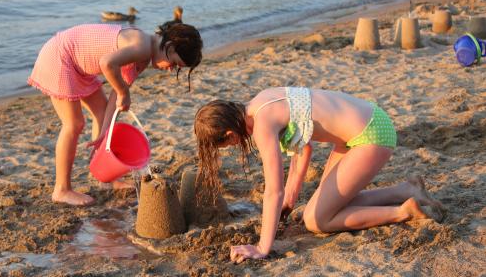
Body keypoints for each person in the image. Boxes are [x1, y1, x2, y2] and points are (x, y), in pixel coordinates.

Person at [194, 87, 444, 263]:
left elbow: (272, 190)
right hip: (364, 124)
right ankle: (407, 190)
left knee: (317, 220)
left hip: (371, 136)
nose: (233, 147)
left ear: (229, 135)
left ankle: (402, 211)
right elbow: (303, 149)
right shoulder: (262, 100)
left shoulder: (262, 126)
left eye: (227, 145)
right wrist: (290, 200)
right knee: (326, 206)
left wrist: (262, 247)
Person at [28, 22, 203, 206]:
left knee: (104, 114)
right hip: (60, 57)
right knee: (74, 124)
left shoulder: (143, 56)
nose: (170, 69)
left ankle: (105, 177)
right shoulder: (142, 45)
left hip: (77, 65)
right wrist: (123, 92)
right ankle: (61, 190)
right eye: (174, 63)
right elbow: (107, 63)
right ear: (169, 46)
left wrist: (105, 130)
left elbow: (115, 97)